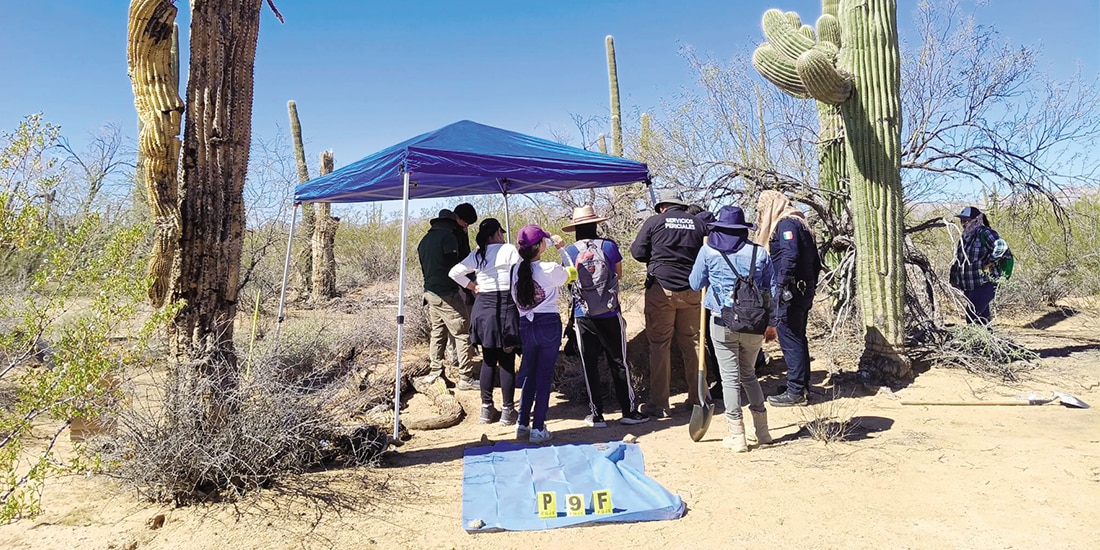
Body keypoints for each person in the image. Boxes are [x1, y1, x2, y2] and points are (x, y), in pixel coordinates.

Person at [690, 205, 777, 451]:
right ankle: (763, 432)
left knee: (729, 378)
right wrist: (771, 323)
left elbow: (695, 283)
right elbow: (773, 290)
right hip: (754, 324)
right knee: (749, 374)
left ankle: (737, 436)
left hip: (721, 320)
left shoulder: (709, 251)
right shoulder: (759, 253)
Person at [561, 205, 650, 428]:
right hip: (610, 311)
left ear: (575, 228)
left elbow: (569, 281)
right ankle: (629, 411)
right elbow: (617, 274)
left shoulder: (570, 252)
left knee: (589, 364)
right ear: (596, 224)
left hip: (584, 314)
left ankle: (597, 414)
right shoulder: (609, 246)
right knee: (619, 361)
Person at [630, 190, 706, 418]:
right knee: (693, 343)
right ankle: (698, 399)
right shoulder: (698, 224)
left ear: (663, 206)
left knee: (659, 344)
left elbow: (637, 251)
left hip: (662, 290)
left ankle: (659, 404)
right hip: (693, 290)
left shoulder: (655, 222)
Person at [449, 218, 521, 425]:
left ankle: (486, 410)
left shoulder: (478, 254)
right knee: (506, 359)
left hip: (483, 307)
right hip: (505, 304)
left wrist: (472, 286)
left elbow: (454, 272)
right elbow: (519, 271)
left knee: (489, 359)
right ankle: (508, 411)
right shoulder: (508, 250)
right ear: (498, 232)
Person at [755, 190, 821, 407]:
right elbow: (815, 262)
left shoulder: (786, 225)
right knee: (797, 336)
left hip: (790, 292)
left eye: (762, 209)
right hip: (801, 290)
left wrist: (781, 287)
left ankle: (795, 391)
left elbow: (790, 256)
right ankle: (800, 385)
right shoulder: (801, 223)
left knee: (789, 336)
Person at [511, 224, 572, 444]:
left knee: (530, 373)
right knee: (544, 376)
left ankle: (522, 423)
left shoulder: (515, 270)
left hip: (526, 324)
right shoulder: (549, 269)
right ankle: (538, 427)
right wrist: (562, 249)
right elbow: (571, 273)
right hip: (547, 323)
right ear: (539, 246)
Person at [417, 209, 477, 389]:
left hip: (430, 293)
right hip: (446, 293)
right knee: (462, 332)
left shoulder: (425, 240)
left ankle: (436, 371)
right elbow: (455, 267)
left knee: (438, 332)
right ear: (451, 223)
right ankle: (466, 377)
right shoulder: (448, 238)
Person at [949, 206, 1012, 325]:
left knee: (972, 314)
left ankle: (976, 342)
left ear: (976, 220)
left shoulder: (986, 233)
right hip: (969, 285)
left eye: (966, 220)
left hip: (985, 282)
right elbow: (959, 259)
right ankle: (987, 342)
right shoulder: (964, 237)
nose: (963, 224)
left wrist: (989, 261)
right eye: (962, 220)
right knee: (982, 317)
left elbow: (1002, 246)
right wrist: (953, 278)